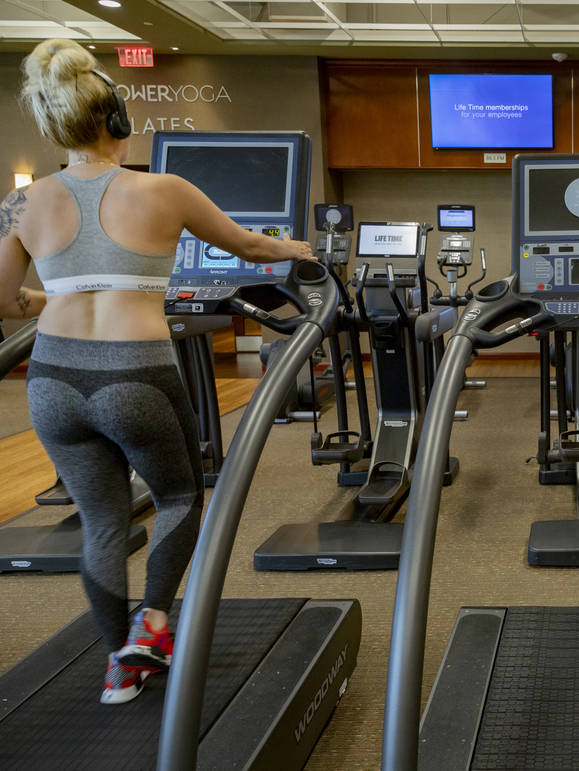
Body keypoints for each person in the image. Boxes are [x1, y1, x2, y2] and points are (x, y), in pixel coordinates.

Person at [0, 38, 313, 705]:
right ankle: (155, 623)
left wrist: (59, 298)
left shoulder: (22, 204)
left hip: (52, 378)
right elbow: (252, 247)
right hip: (134, 373)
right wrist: (303, 249)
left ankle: (120, 664)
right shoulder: (163, 188)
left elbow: (4, 302)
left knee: (102, 519)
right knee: (177, 495)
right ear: (117, 119)